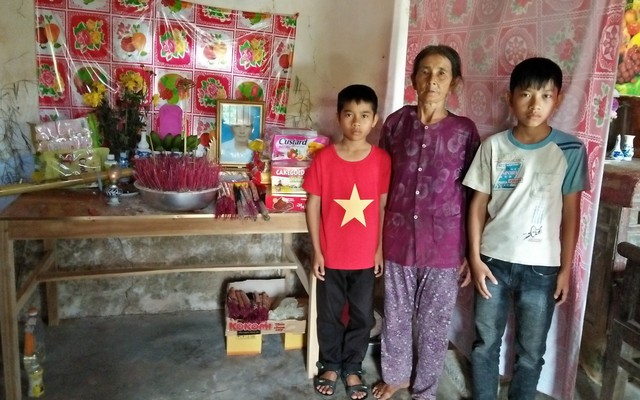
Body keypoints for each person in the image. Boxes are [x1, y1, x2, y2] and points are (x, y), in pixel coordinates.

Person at [462, 57, 589, 400]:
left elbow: (571, 214)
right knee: (485, 344)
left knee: (531, 353)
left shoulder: (570, 149)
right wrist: (474, 258)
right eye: (526, 95)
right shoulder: (493, 146)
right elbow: (477, 206)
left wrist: (565, 270)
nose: (535, 105)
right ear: (510, 98)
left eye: (545, 96)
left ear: (558, 99)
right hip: (492, 263)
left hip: (542, 269)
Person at [372, 45, 480, 400]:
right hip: (398, 237)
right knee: (396, 313)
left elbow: (474, 195)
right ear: (414, 79)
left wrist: (469, 251)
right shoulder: (396, 124)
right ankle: (397, 376)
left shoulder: (464, 131)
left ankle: (425, 390)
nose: (432, 80)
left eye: (442, 73)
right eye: (425, 72)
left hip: (445, 244)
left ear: (454, 82)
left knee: (434, 324)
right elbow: (381, 180)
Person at [303, 84, 391, 400]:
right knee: (328, 313)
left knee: (362, 315)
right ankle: (329, 364)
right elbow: (312, 205)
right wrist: (317, 250)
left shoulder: (382, 160)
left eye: (364, 115)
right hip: (331, 255)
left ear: (375, 120)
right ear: (338, 117)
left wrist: (379, 248)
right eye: (350, 114)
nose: (357, 122)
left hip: (365, 257)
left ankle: (352, 366)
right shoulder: (324, 159)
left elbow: (382, 207)